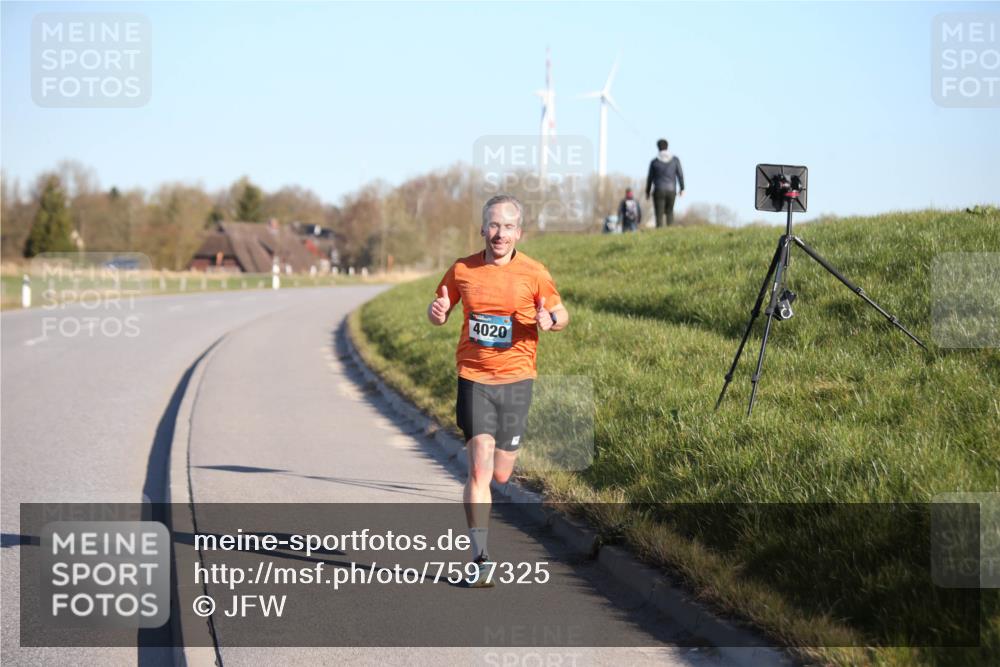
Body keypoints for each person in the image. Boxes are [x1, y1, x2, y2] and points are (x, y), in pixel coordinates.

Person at [427, 194, 569, 587]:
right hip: (474, 376)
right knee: (479, 466)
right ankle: (480, 557)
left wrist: (550, 318)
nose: (499, 233)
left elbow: (562, 313)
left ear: (518, 232)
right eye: (493, 225)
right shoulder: (462, 270)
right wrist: (436, 313)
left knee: (502, 474)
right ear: (482, 229)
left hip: (518, 379)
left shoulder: (534, 273)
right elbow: (439, 307)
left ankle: (492, 503)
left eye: (507, 226)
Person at [645, 138, 685, 227]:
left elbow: (650, 178)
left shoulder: (654, 162)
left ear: (658, 147)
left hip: (659, 190)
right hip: (671, 190)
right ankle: (670, 230)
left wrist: (647, 192)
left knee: (659, 213)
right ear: (667, 147)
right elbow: (680, 175)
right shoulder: (675, 160)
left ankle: (659, 232)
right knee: (670, 211)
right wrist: (682, 188)